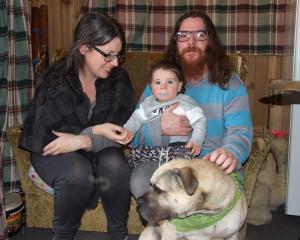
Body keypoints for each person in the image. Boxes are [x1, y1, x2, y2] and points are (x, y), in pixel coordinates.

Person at [19, 13, 135, 240]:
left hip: (98, 149)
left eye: (118, 55)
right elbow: (47, 137)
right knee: (77, 172)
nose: (115, 63)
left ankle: (119, 235)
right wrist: (97, 131)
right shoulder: (57, 79)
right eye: (108, 55)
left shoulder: (119, 79)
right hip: (51, 150)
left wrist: (85, 138)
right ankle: (62, 236)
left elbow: (122, 132)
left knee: (115, 164)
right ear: (84, 48)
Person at [130, 11, 253, 199]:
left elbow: (241, 133)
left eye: (200, 35)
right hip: (166, 162)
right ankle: (169, 229)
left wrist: (231, 152)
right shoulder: (158, 85)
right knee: (140, 180)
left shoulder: (231, 85)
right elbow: (132, 137)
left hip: (211, 163)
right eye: (183, 36)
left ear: (210, 41)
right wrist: (160, 128)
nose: (191, 42)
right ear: (176, 43)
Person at [121, 60, 206, 168]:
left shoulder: (185, 102)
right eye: (157, 82)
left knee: (187, 159)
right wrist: (128, 130)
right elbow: (136, 118)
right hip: (152, 148)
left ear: (179, 86)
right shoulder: (148, 103)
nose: (163, 86)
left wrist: (197, 139)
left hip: (178, 148)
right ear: (151, 87)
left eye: (170, 82)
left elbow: (200, 120)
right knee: (132, 157)